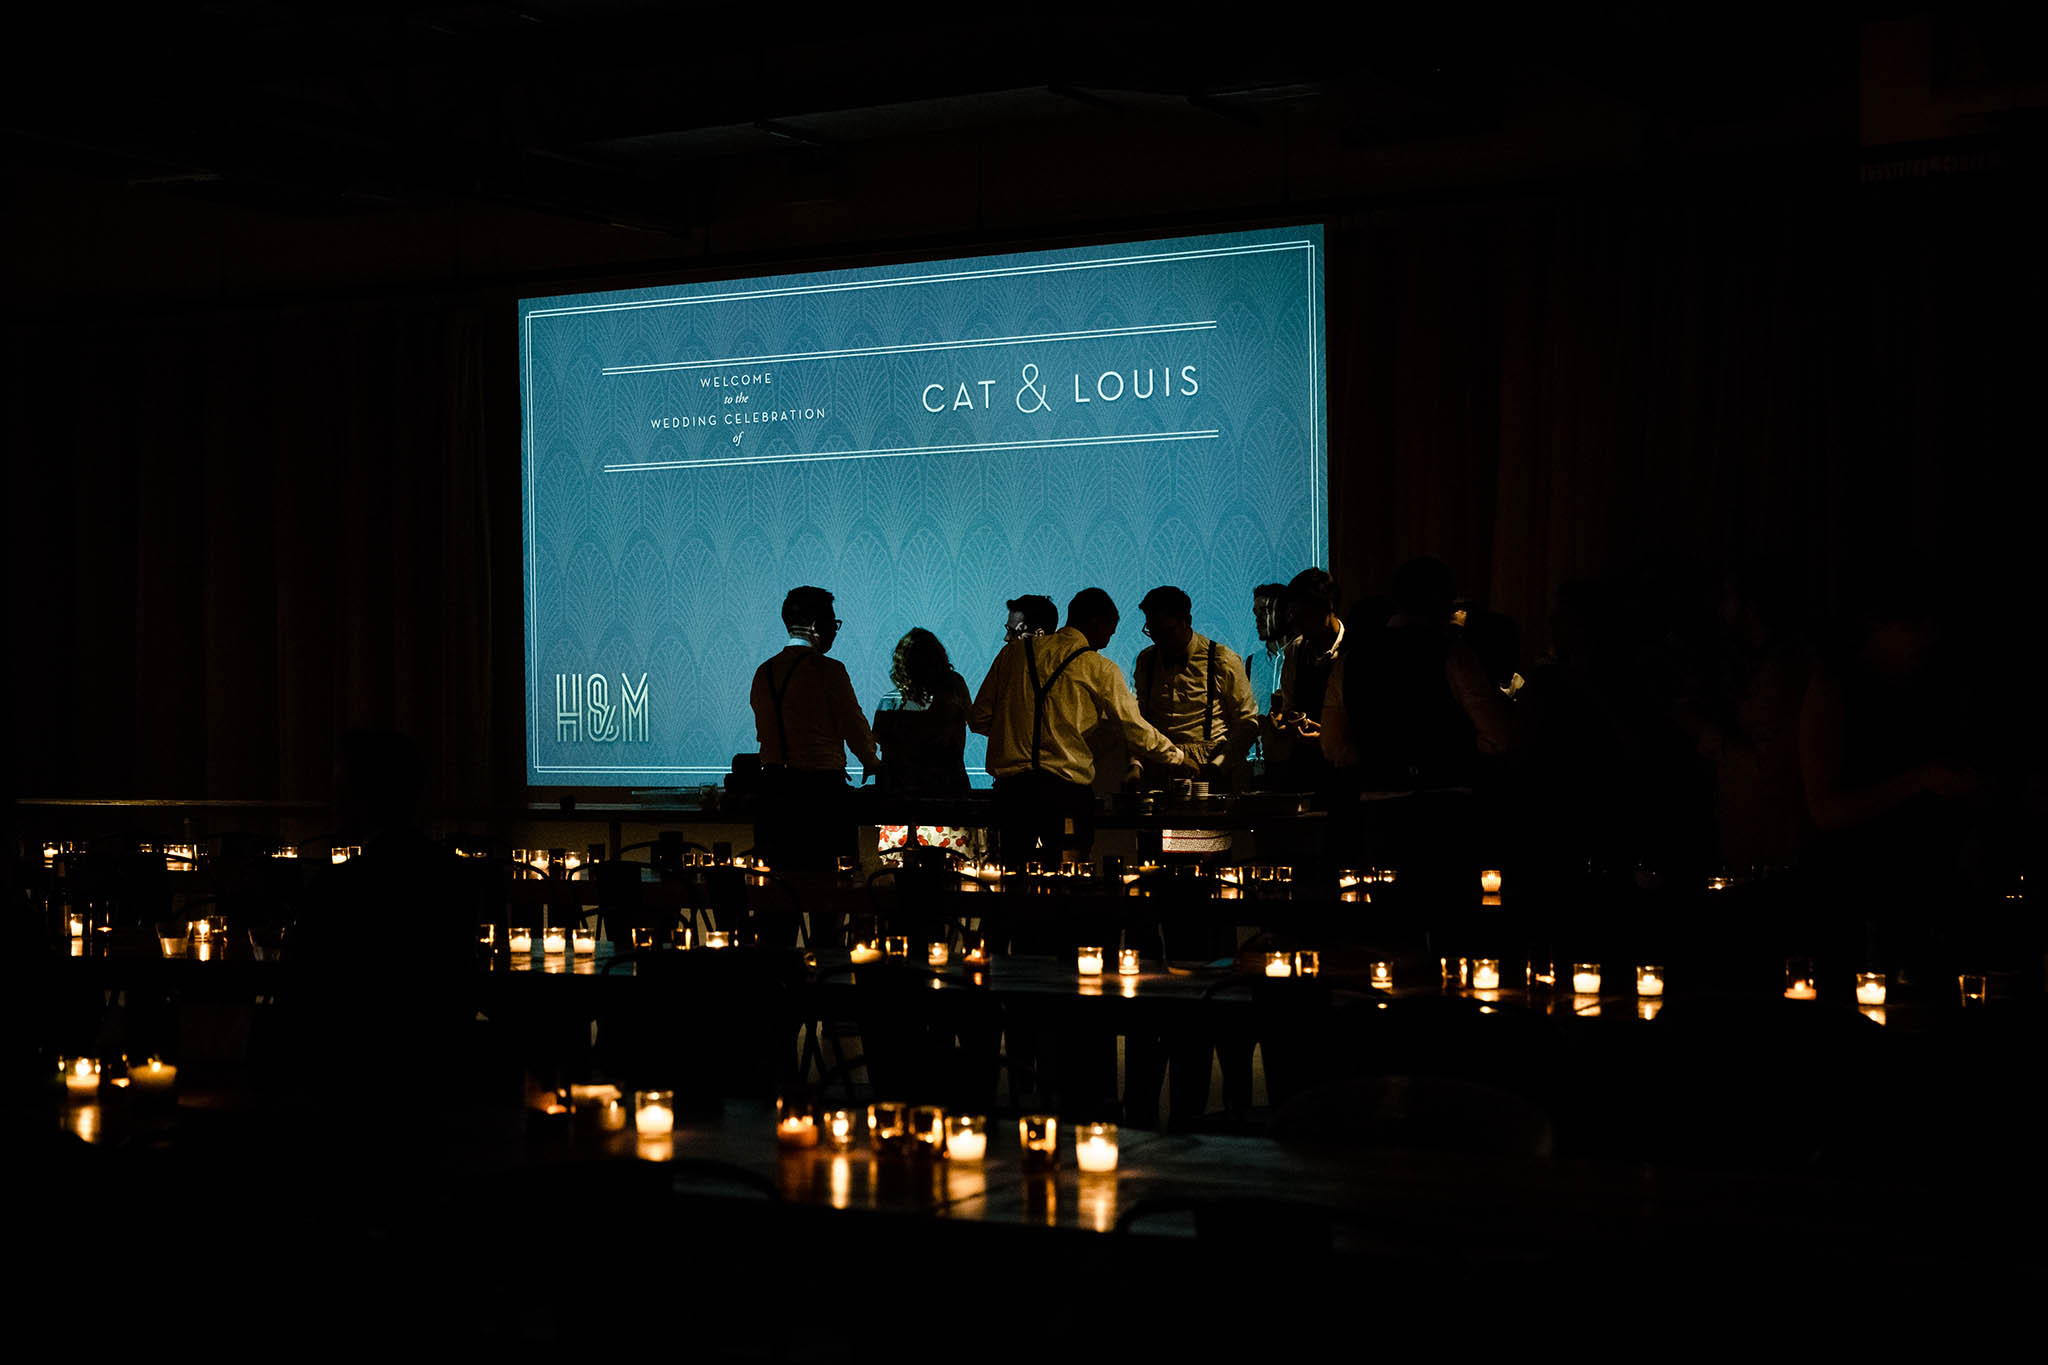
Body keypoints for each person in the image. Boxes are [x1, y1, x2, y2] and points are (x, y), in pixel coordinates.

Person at [970, 586, 1192, 866]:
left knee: (1012, 875)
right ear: (1096, 622)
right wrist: (1178, 757)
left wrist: (1015, 731)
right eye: (1109, 632)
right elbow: (1134, 728)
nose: (1108, 641)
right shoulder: (1099, 667)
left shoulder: (1012, 654)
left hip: (1011, 794)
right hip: (1065, 794)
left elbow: (979, 719)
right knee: (1068, 875)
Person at [748, 586, 878, 873]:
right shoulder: (829, 670)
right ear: (816, 626)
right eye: (833, 623)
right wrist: (871, 761)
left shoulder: (764, 672)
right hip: (822, 793)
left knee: (779, 884)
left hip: (773, 793)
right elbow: (852, 723)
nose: (835, 631)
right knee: (831, 883)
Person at [1131, 585, 1259, 783]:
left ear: (1187, 621)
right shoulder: (1146, 661)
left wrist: (1219, 765)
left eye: (1167, 632)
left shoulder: (1222, 660)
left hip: (1210, 766)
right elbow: (1140, 721)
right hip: (1160, 766)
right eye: (1153, 632)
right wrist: (1135, 764)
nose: (1159, 641)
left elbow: (1247, 723)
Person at [872, 627, 974, 860]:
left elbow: (877, 742)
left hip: (901, 805)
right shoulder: (954, 692)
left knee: (899, 874)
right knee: (951, 874)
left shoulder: (890, 703)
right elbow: (975, 721)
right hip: (948, 799)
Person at [1260, 567, 1346, 794]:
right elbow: (1290, 706)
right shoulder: (1296, 649)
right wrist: (1284, 722)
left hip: (1345, 770)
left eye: (1303, 615)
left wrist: (1325, 735)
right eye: (1293, 615)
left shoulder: (1352, 651)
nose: (1296, 623)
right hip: (1304, 769)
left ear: (1328, 607)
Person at [1243, 583, 1291, 769]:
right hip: (1260, 764)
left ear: (1286, 613)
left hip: (1296, 761)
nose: (1259, 619)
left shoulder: (1302, 657)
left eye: (1266, 611)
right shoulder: (1251, 662)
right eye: (1256, 613)